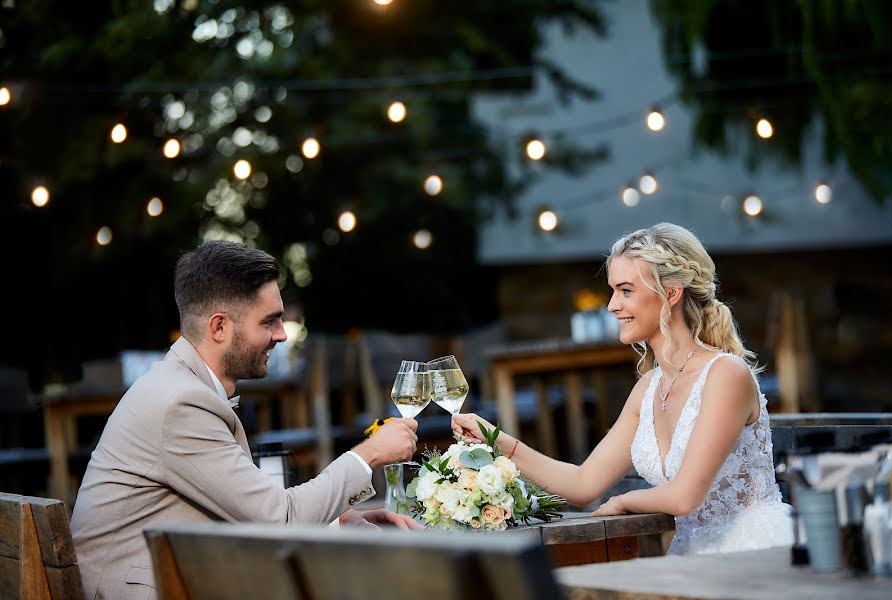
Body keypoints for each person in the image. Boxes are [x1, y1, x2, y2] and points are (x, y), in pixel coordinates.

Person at [71, 241, 421, 599]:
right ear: (219, 327)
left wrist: (335, 522)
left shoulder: (182, 386)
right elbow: (279, 519)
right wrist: (370, 454)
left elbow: (250, 507)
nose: (283, 334)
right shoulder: (181, 402)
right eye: (269, 321)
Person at [453, 223, 792, 555]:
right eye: (614, 290)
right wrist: (496, 439)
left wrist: (623, 500)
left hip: (754, 552)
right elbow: (583, 484)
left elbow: (686, 496)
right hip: (694, 557)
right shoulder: (648, 388)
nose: (612, 305)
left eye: (626, 290)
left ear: (670, 293)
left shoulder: (725, 374)